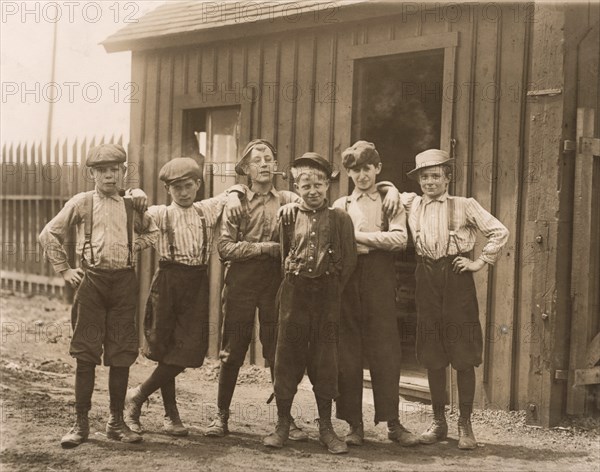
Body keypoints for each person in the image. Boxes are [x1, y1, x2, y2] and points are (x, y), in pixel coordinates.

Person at [38, 144, 159, 448]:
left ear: (122, 172)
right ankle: (81, 425)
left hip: (123, 285)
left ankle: (116, 423)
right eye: (102, 170)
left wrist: (133, 247)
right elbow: (48, 234)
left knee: (121, 356)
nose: (109, 175)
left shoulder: (132, 204)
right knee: (85, 354)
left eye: (115, 169)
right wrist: (65, 270)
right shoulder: (82, 202)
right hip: (91, 283)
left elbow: (153, 233)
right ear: (92, 173)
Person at [124, 157, 244, 436]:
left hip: (196, 284)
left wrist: (237, 195)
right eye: (176, 188)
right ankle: (171, 416)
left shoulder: (207, 209)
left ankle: (137, 395)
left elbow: (235, 189)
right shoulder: (160, 213)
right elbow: (135, 215)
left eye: (188, 186)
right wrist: (135, 193)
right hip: (167, 281)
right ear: (168, 190)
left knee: (188, 349)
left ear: (198, 185)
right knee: (165, 349)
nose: (183, 192)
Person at [401, 149, 509, 450]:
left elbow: (500, 231)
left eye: (436, 175)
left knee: (463, 352)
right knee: (432, 351)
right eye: (424, 176)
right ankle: (438, 423)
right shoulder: (410, 204)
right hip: (426, 278)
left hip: (456, 278)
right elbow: (383, 193)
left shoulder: (465, 205)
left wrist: (478, 262)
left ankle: (465, 425)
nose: (430, 181)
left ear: (448, 178)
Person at [205, 139, 308, 441]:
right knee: (232, 350)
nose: (264, 164)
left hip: (275, 283)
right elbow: (224, 248)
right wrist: (265, 247)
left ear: (276, 166)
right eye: (257, 160)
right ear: (246, 169)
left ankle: (284, 419)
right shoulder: (235, 202)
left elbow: (314, 205)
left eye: (269, 159)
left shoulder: (289, 199)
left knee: (278, 348)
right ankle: (221, 416)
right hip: (240, 280)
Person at [263, 152, 357, 454]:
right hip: (294, 292)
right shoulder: (288, 216)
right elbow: (282, 258)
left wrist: (329, 287)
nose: (313, 191)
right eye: (305, 185)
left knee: (325, 359)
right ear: (296, 186)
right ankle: (281, 424)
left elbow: (349, 262)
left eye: (319, 184)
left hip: (327, 295)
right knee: (287, 356)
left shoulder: (341, 219)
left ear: (328, 185)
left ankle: (326, 428)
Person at [332, 141, 419, 447]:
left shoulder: (389, 200)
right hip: (348, 281)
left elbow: (399, 240)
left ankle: (393, 423)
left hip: (380, 279)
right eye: (355, 169)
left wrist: (356, 237)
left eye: (367, 168)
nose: (361, 175)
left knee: (386, 350)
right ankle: (354, 425)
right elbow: (334, 245)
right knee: (348, 352)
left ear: (377, 168)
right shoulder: (341, 205)